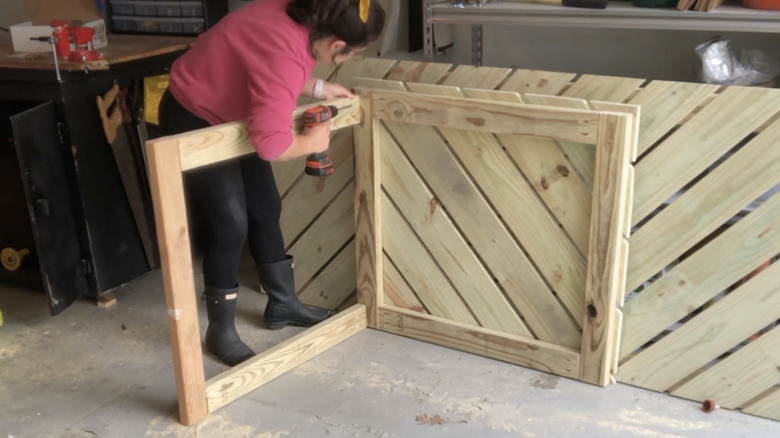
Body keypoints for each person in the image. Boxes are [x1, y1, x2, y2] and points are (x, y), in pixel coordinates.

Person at [157, 0, 385, 366]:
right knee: (231, 222)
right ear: (336, 45)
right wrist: (314, 143)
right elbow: (273, 145)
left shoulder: (303, 13)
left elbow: (262, 64)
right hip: (194, 114)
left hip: (235, 107)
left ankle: (282, 304)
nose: (344, 61)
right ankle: (221, 330)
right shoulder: (288, 50)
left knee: (266, 207)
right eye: (350, 55)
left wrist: (319, 87)